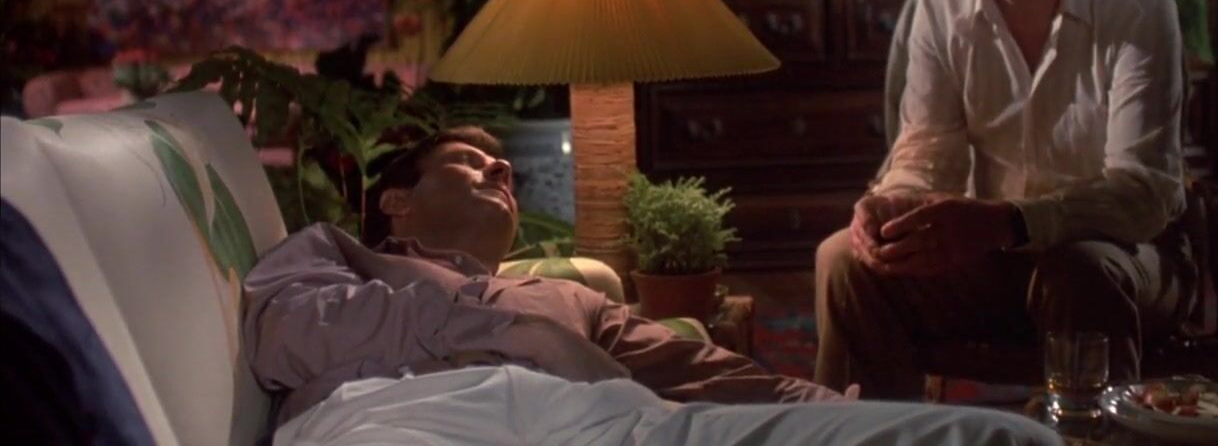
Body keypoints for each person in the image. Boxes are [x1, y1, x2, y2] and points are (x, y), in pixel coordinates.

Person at [244, 126, 1061, 445]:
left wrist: (834, 411)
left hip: (601, 422)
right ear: (395, 201)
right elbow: (286, 335)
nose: (499, 167)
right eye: (467, 160)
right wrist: (500, 329)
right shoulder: (335, 254)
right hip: (397, 418)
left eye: (503, 162)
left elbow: (705, 375)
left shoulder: (565, 301)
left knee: (994, 439)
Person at [815, 0, 1196, 399]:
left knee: (1079, 269)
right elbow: (927, 154)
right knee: (844, 259)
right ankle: (879, 436)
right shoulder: (940, 7)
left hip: (1126, 258)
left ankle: (1088, 435)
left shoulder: (1135, 6)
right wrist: (890, 206)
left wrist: (1009, 222)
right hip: (990, 259)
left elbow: (1142, 196)